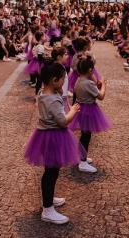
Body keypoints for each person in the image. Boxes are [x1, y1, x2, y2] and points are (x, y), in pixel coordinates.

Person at [24, 63, 81, 225]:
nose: (64, 81)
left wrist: (59, 92)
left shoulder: (43, 93)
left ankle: (49, 199)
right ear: (54, 80)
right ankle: (47, 209)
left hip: (45, 135)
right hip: (54, 136)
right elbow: (63, 121)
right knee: (51, 173)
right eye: (62, 79)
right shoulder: (53, 100)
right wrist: (73, 110)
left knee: (51, 172)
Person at [69, 56, 110, 173]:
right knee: (86, 136)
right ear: (90, 70)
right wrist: (103, 84)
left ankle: (82, 156)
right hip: (89, 109)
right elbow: (101, 96)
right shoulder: (88, 83)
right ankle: (82, 162)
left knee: (84, 135)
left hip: (81, 108)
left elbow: (88, 91)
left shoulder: (78, 80)